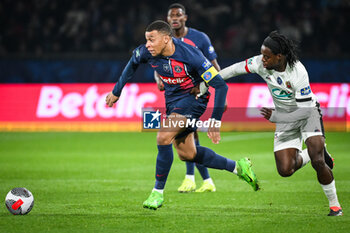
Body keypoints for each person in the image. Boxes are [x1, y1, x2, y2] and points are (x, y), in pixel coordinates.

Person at [105, 20, 259, 210]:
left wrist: (215, 121)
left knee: (163, 136)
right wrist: (116, 92)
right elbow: (131, 65)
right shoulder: (146, 52)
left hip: (194, 101)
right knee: (188, 154)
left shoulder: (191, 55)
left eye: (152, 40)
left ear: (167, 39)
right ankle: (238, 167)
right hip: (172, 103)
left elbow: (220, 85)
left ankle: (157, 193)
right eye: (146, 40)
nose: (147, 45)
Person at [215, 31, 342, 216]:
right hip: (284, 117)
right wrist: (206, 82)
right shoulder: (260, 63)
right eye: (262, 55)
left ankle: (335, 206)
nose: (262, 60)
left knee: (318, 160)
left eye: (267, 56)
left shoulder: (298, 72)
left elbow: (304, 112)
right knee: (285, 170)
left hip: (307, 114)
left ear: (279, 57)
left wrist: (276, 118)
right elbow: (234, 69)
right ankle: (317, 151)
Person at [154, 3, 221, 193]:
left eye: (178, 15)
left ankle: (193, 179)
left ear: (185, 18)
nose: (175, 18)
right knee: (188, 137)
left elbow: (216, 69)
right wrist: (158, 79)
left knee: (186, 134)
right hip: (175, 96)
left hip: (195, 96)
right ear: (167, 20)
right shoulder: (163, 41)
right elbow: (156, 66)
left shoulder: (199, 38)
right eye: (171, 15)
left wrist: (203, 86)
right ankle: (204, 180)